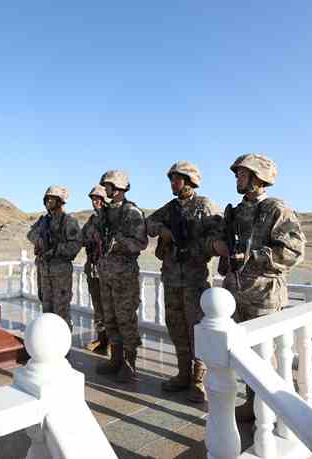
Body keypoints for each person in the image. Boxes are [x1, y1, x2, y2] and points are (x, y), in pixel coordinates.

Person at [209, 153, 306, 421]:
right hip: (235, 291)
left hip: (264, 293)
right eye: (238, 174)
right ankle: (254, 404)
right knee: (243, 355)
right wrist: (217, 246)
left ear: (258, 178)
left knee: (263, 354)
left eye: (242, 174)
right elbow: (219, 239)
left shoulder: (277, 209)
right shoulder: (235, 211)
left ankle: (273, 407)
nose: (237, 179)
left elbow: (293, 251)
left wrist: (253, 256)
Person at [145, 161, 221, 403]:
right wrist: (164, 232)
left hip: (195, 280)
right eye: (171, 179)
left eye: (176, 179)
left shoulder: (204, 205)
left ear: (189, 181)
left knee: (197, 330)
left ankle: (198, 379)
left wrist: (197, 246)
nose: (172, 183)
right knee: (176, 327)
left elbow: (218, 236)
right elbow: (149, 223)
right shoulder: (170, 208)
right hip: (172, 279)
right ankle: (183, 374)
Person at [95, 170, 148, 384]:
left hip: (124, 275)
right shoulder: (105, 213)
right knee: (110, 318)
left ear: (117, 187)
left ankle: (129, 363)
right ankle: (115, 359)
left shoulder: (132, 212)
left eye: (107, 186)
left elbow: (141, 243)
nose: (105, 189)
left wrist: (119, 242)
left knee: (126, 319)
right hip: (106, 274)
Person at [27, 185, 82, 332]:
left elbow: (75, 245)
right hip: (44, 271)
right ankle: (48, 340)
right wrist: (40, 241)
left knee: (61, 309)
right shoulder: (44, 220)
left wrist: (56, 249)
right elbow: (30, 234)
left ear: (60, 201)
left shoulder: (68, 221)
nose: (48, 202)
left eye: (52, 199)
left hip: (60, 272)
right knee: (46, 308)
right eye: (47, 199)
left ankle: (64, 341)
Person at [82, 184, 109, 354]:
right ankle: (101, 339)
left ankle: (112, 342)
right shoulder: (92, 220)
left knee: (110, 308)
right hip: (93, 269)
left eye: (98, 199)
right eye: (93, 199)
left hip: (108, 271)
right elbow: (81, 238)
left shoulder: (111, 218)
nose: (95, 202)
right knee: (98, 308)